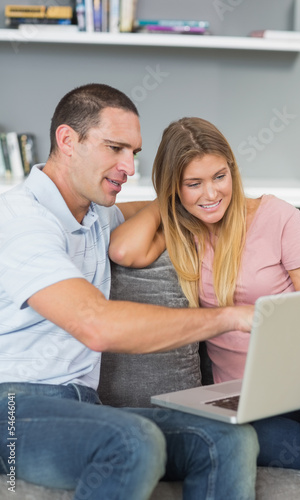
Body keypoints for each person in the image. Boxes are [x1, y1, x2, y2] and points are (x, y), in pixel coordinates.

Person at [0, 85, 259, 500]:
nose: (128, 167)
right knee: (134, 440)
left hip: (82, 408)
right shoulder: (21, 222)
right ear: (68, 141)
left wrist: (194, 194)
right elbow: (95, 324)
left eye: (133, 153)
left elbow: (153, 208)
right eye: (115, 148)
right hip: (12, 409)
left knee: (229, 438)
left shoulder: (95, 213)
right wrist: (231, 316)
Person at [110, 116, 300, 476]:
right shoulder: (183, 230)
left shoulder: (278, 217)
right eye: (193, 183)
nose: (211, 195)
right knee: (269, 444)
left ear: (232, 170)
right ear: (174, 188)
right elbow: (123, 250)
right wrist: (165, 202)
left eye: (219, 177)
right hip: (247, 401)